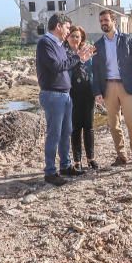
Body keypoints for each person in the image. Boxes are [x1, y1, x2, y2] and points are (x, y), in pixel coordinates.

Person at [36, 13, 92, 186]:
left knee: (66, 131)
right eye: (67, 27)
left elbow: (66, 64)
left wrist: (78, 58)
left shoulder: (59, 45)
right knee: (54, 133)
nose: (69, 31)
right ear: (59, 26)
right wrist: (78, 58)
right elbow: (56, 67)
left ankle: (65, 166)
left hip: (64, 94)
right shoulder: (45, 43)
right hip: (53, 94)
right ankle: (50, 172)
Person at [91, 8, 132, 166]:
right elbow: (95, 71)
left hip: (128, 86)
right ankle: (121, 156)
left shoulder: (128, 40)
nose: (103, 23)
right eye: (101, 21)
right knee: (113, 124)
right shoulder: (98, 45)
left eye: (106, 20)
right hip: (108, 87)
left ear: (113, 21)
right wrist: (97, 92)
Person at [65, 25, 98, 171]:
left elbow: (94, 72)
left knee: (89, 127)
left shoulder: (87, 51)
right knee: (76, 128)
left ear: (81, 38)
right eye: (72, 36)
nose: (75, 39)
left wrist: (97, 91)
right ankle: (77, 161)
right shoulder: (64, 53)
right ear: (67, 37)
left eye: (77, 36)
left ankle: (91, 158)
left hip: (88, 93)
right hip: (72, 94)